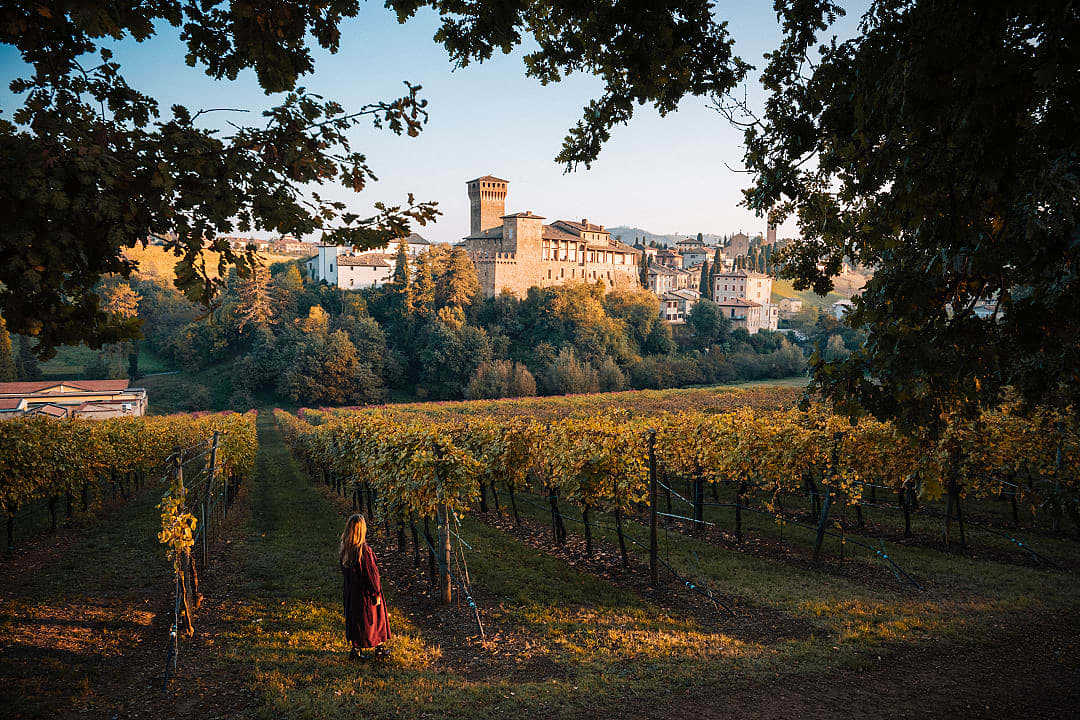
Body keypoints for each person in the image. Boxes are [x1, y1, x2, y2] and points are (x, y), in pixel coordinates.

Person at [340, 514, 391, 661]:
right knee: (376, 620)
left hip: (351, 592)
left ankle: (355, 650)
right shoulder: (364, 551)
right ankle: (379, 648)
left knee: (355, 620)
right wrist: (376, 592)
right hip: (365, 593)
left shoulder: (346, 548)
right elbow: (371, 574)